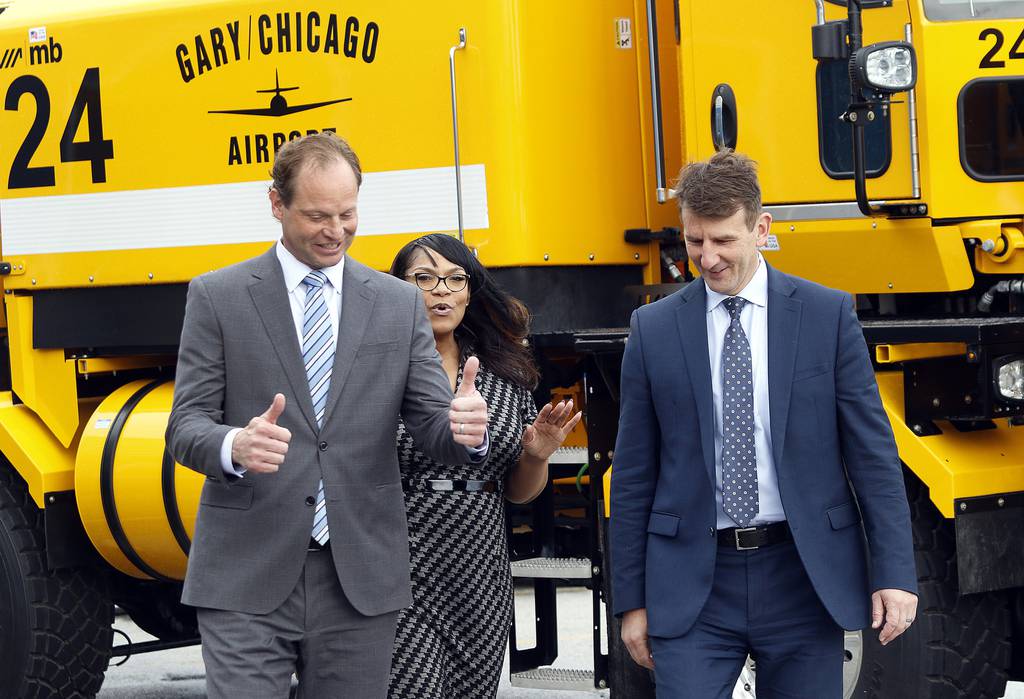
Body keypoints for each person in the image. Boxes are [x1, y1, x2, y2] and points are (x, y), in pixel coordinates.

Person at [165, 133, 490, 699]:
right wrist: (234, 445)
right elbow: (185, 425)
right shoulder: (218, 297)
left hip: (358, 577)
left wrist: (463, 430)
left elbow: (432, 428)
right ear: (276, 204)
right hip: (244, 572)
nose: (335, 231)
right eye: (317, 215)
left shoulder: (396, 303)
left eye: (347, 213)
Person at [610, 150, 918, 697]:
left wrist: (894, 574)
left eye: (723, 240)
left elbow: (873, 457)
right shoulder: (653, 330)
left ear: (762, 228)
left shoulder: (827, 316)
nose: (706, 258)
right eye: (694, 241)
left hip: (802, 577)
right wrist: (631, 602)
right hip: (692, 587)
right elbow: (634, 476)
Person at [385, 233, 582, 698]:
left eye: (455, 279)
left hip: (480, 569)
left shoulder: (502, 373)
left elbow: (516, 492)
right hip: (400, 565)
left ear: (471, 291)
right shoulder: (378, 367)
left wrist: (536, 455)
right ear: (396, 287)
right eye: (424, 277)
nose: (442, 290)